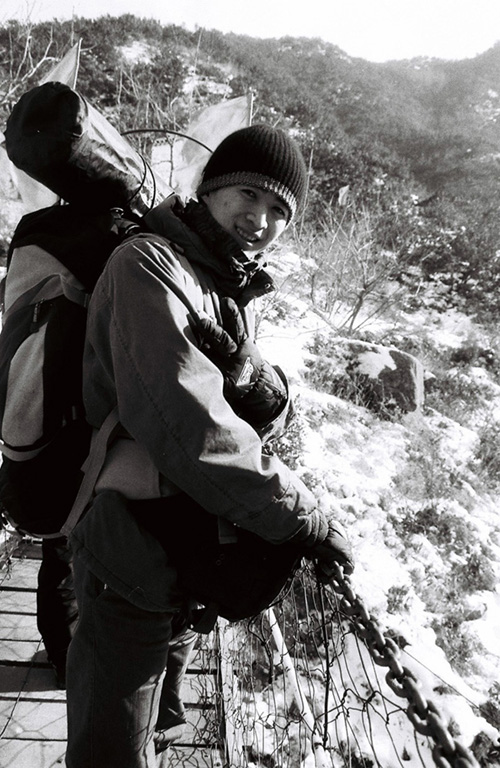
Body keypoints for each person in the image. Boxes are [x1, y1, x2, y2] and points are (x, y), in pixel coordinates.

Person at [65, 124, 354, 768]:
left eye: (280, 210)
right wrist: (301, 516)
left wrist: (263, 389)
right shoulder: (149, 266)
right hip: (130, 548)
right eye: (248, 195)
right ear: (209, 188)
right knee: (112, 744)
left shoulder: (222, 280)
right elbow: (187, 424)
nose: (261, 220)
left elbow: (246, 416)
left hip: (187, 543)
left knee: (161, 715)